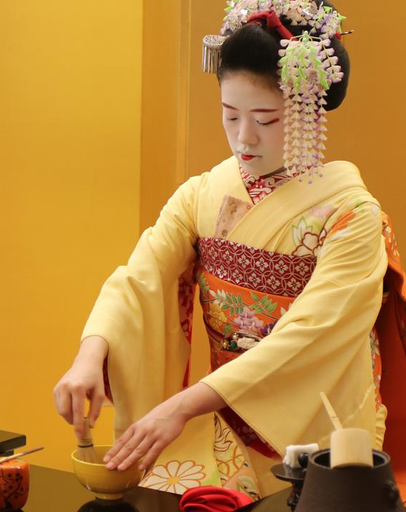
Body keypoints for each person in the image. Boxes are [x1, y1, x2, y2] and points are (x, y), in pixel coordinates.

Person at [54, 0, 406, 498]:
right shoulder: (203, 193)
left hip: (318, 430)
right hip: (220, 417)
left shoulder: (352, 214)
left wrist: (181, 406)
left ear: (308, 112)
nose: (244, 137)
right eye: (230, 114)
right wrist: (91, 355)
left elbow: (311, 334)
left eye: (265, 119)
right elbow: (141, 275)